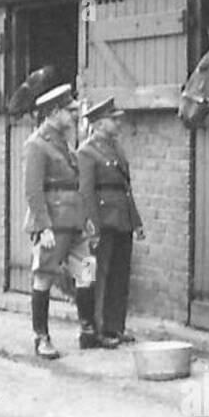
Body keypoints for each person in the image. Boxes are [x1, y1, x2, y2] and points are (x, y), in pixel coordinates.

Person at [23, 83, 116, 358]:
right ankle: (41, 338)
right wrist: (43, 227)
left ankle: (88, 331)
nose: (74, 113)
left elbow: (76, 184)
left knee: (87, 270)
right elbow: (33, 189)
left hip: (75, 223)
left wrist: (85, 218)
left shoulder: (64, 141)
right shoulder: (37, 145)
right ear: (53, 113)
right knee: (43, 277)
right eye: (68, 110)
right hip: (53, 224)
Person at [77, 96, 145, 344]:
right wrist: (91, 227)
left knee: (119, 275)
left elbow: (126, 188)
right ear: (98, 124)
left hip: (121, 220)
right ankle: (96, 330)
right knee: (97, 275)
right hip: (102, 221)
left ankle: (115, 327)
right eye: (112, 119)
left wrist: (135, 221)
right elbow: (85, 192)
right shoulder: (86, 152)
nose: (117, 123)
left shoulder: (117, 148)